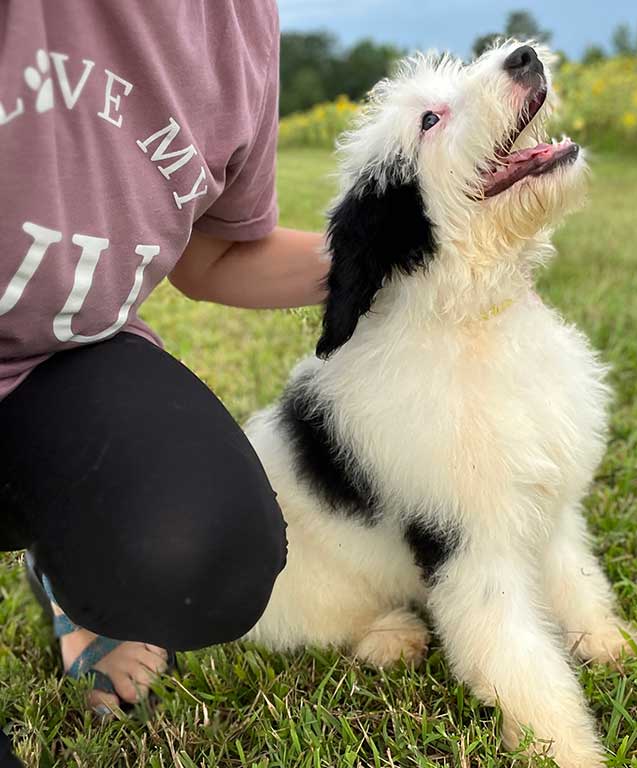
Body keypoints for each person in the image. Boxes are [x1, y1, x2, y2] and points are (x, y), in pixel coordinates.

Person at [0, 2, 327, 763]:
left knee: (198, 550)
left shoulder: (240, 20)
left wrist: (417, 239)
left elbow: (215, 256)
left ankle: (64, 563)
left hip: (56, 362)